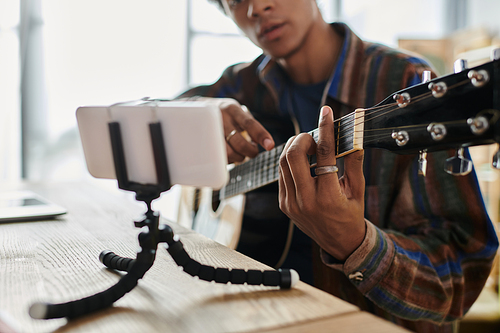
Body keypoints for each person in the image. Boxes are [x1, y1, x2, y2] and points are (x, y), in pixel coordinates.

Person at [177, 0, 499, 332]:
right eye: (236, 1)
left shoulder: (405, 82)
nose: (257, 7)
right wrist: (196, 115)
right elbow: (155, 117)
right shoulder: (241, 85)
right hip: (254, 314)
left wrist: (355, 243)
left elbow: (461, 274)